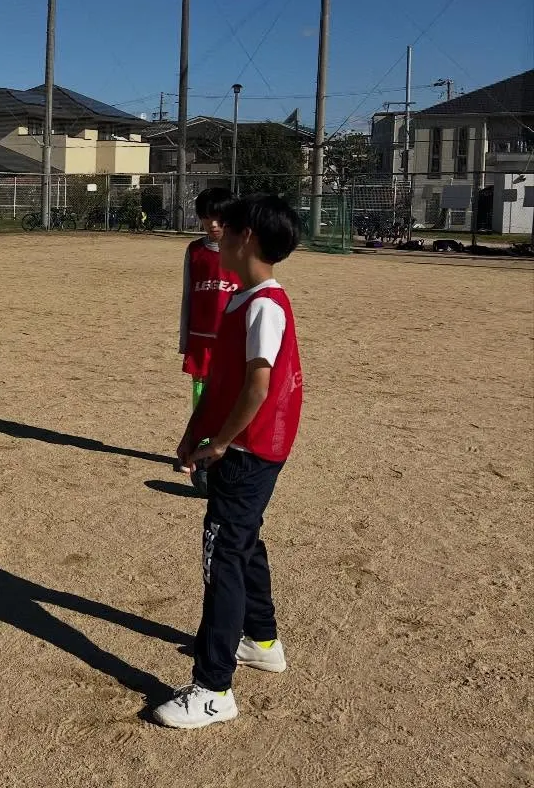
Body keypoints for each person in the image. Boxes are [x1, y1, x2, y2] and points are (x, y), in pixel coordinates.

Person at [154, 194, 303, 730]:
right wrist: (193, 431)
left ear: (248, 238)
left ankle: (213, 689)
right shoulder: (243, 299)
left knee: (222, 561)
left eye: (228, 228)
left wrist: (219, 442)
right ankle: (261, 641)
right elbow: (221, 382)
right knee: (243, 541)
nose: (217, 235)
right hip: (238, 448)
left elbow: (258, 387)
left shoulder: (265, 304)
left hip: (247, 452)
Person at [178, 186, 239, 496]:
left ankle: (228, 449)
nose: (212, 225)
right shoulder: (195, 251)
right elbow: (187, 297)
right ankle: (198, 450)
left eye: (218, 218)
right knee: (201, 396)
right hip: (201, 340)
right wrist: (184, 339)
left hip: (232, 342)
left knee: (232, 396)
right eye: (206, 218)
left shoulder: (241, 250)